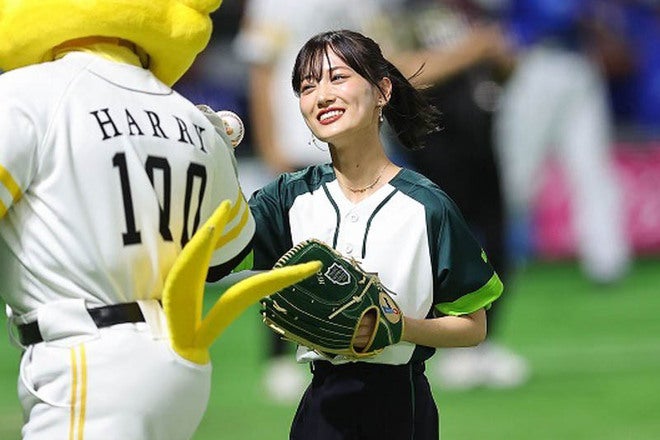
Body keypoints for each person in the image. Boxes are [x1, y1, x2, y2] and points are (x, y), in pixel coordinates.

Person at [0, 1, 257, 438]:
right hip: (182, 362)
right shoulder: (192, 119)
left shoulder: (26, 95)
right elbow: (229, 256)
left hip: (87, 356)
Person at [249, 30, 504, 438]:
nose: (322, 95)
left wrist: (396, 327)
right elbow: (218, 251)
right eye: (307, 86)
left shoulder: (427, 206)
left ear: (382, 90)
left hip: (401, 410)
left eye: (337, 78)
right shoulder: (287, 197)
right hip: (320, 410)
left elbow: (473, 326)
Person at [366, 0, 529, 390]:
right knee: (446, 246)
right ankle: (450, 345)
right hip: (432, 145)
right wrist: (471, 50)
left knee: (496, 242)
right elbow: (401, 70)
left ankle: (485, 342)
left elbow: (503, 70)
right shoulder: (396, 13)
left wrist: (501, 57)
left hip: (481, 139)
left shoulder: (469, 12)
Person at [232, 0, 387, 403]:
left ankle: (351, 341)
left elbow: (380, 59)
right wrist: (269, 144)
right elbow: (260, 70)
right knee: (287, 257)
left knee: (354, 252)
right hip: (295, 144)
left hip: (357, 144)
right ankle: (278, 355)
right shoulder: (273, 5)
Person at [494, 0, 631, 284]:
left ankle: (607, 263)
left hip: (580, 62)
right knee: (517, 174)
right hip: (535, 62)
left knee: (592, 167)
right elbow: (556, 14)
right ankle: (493, 256)